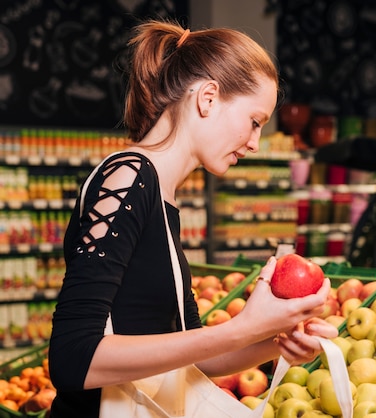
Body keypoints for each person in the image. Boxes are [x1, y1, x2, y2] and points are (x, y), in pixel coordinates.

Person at [48, 19, 337, 417]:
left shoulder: (163, 196)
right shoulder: (129, 178)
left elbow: (192, 356)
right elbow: (71, 358)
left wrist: (278, 340)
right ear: (208, 98)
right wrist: (242, 328)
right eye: (255, 122)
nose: (254, 143)